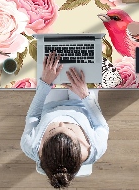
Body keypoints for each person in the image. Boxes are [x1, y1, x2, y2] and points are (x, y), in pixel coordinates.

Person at [21, 51, 109, 188]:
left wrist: (45, 83)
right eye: (69, 129)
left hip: (50, 105)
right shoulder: (97, 148)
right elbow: (101, 126)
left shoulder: (30, 146)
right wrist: (85, 95)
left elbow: (33, 116)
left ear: (42, 148)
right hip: (82, 104)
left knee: (49, 65)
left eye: (53, 130)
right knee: (86, 61)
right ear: (81, 146)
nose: (61, 122)